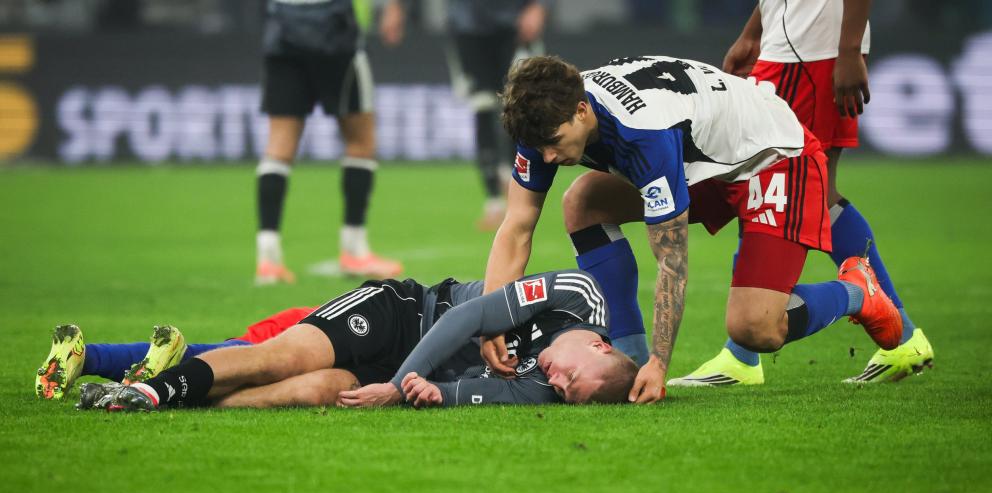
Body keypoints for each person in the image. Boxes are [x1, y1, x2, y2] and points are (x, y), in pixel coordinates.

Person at [484, 54, 904, 404]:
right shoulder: (541, 121)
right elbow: (517, 226)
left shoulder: (643, 135)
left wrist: (661, 364)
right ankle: (627, 358)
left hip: (773, 158)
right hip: (704, 165)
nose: (549, 156)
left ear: (582, 110)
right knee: (582, 202)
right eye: (540, 148)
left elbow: (672, 262)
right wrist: (489, 322)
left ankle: (856, 290)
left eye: (555, 142)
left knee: (756, 328)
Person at [669, 0, 933, 386]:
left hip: (811, 52)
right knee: (781, 185)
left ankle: (743, 357)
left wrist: (847, 51)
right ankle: (903, 336)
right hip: (792, 45)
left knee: (769, 179)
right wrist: (754, 31)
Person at [78, 271, 637, 411]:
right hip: (404, 314)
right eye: (570, 377)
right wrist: (399, 386)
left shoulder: (547, 389)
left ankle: (150, 397)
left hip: (402, 371)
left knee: (315, 391)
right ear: (598, 347)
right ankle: (151, 391)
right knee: (279, 356)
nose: (555, 384)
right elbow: (465, 319)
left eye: (566, 395)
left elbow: (461, 394)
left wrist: (428, 393)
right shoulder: (579, 296)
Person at [254, 0, 405, 285]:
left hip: (282, 26)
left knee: (278, 147)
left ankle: (268, 259)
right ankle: (354, 249)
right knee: (361, 140)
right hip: (334, 27)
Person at [34, 307, 317, 401]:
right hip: (297, 337)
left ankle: (87, 356)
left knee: (203, 357)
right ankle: (165, 366)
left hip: (289, 324)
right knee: (219, 367)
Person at [443, 0, 550, 230]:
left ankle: (518, 194)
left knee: (519, 105)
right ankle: (493, 200)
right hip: (467, 26)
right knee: (481, 106)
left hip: (513, 24)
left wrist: (538, 5)